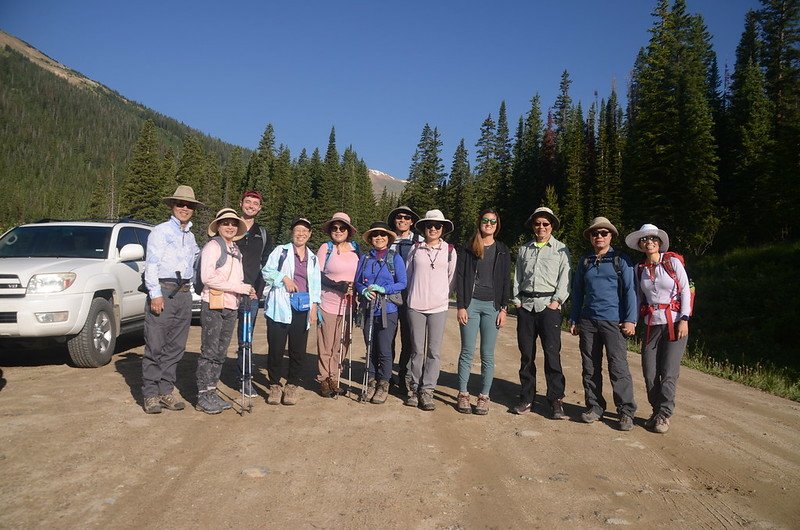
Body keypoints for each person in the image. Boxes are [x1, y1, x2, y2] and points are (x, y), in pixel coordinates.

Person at [569, 217, 637, 430]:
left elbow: (630, 291)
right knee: (590, 367)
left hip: (613, 322)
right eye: (595, 233)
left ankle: (626, 411)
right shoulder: (585, 261)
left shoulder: (621, 260)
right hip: (588, 321)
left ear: (611, 236)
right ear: (590, 237)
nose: (599, 236)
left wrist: (630, 319)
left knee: (618, 367)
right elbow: (577, 291)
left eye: (604, 233)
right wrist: (574, 317)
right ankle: (595, 406)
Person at [141, 185, 202, 414]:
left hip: (184, 294)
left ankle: (166, 390)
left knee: (176, 347)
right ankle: (150, 394)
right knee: (155, 344)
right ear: (172, 206)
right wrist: (155, 294)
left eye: (189, 205)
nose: (184, 208)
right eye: (180, 204)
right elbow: (152, 264)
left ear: (193, 209)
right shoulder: (160, 231)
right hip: (164, 291)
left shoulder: (191, 236)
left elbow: (196, 261)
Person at [625, 224, 692, 434]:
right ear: (640, 244)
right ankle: (656, 410)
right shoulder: (640, 269)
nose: (649, 242)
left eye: (653, 238)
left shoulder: (672, 262)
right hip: (651, 325)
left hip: (674, 323)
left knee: (669, 372)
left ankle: (664, 415)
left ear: (660, 242)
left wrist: (684, 319)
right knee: (649, 372)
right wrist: (633, 321)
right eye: (645, 239)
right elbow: (637, 297)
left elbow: (685, 292)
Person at [195, 208, 257, 414]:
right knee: (209, 350)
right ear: (218, 226)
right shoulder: (213, 246)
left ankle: (212, 392)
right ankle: (203, 395)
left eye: (233, 224)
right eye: (225, 223)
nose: (229, 227)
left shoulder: (235, 250)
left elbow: (237, 280)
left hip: (231, 305)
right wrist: (239, 288)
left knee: (220, 352)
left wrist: (247, 290)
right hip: (213, 303)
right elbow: (207, 277)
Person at [511, 206, 571, 419]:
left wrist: (556, 302)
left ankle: (556, 400)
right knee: (527, 355)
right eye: (537, 223)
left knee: (552, 354)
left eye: (546, 223)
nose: (541, 227)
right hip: (526, 306)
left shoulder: (561, 250)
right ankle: (527, 397)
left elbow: (565, 279)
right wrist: (517, 301)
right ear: (533, 226)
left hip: (549, 307)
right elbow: (517, 276)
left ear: (552, 226)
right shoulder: (524, 249)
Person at [454, 209, 511, 415]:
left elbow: (506, 281)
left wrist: (504, 308)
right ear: (479, 223)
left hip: (492, 307)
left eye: (492, 221)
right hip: (471, 305)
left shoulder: (503, 250)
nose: (488, 224)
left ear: (497, 225)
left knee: (487, 354)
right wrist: (461, 305)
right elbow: (460, 278)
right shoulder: (468, 248)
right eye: (485, 220)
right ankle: (463, 393)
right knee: (467, 352)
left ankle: (484, 397)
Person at [261, 217, 321, 406]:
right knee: (276, 349)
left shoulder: (312, 258)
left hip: (302, 308)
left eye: (305, 231)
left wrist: (314, 308)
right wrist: (283, 278)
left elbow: (316, 285)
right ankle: (274, 385)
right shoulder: (281, 251)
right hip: (280, 307)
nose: (301, 234)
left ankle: (292, 385)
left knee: (297, 350)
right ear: (292, 233)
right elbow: (266, 271)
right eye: (298, 230)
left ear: (310, 234)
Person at [405, 209, 457, 411]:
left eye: (437, 226)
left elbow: (451, 280)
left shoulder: (450, 251)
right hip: (415, 305)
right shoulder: (415, 249)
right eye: (429, 226)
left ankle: (427, 391)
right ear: (424, 228)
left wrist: (442, 296)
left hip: (439, 307)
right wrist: (412, 294)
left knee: (433, 351)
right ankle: (414, 388)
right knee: (417, 350)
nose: (433, 229)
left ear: (443, 228)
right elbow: (409, 276)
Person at [354, 222, 407, 404]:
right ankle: (371, 380)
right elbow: (358, 282)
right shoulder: (365, 258)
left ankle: (383, 384)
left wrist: (384, 289)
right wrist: (363, 291)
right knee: (370, 348)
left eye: (383, 235)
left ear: (388, 238)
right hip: (368, 309)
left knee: (384, 349)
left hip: (388, 310)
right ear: (370, 238)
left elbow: (402, 283)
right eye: (375, 234)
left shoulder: (395, 258)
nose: (379, 237)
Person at [315, 212, 360, 398]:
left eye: (342, 228)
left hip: (349, 304)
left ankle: (335, 376)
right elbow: (317, 275)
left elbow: (361, 273)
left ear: (348, 231)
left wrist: (356, 288)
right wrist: (338, 285)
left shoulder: (356, 249)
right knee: (327, 343)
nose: (338, 231)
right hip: (328, 303)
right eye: (334, 228)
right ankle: (324, 378)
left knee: (343, 343)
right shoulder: (325, 248)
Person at [235, 190, 274, 397]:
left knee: (246, 339)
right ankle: (210, 381)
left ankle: (245, 379)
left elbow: (266, 265)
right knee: (218, 337)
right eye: (247, 201)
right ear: (241, 203)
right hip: (227, 291)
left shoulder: (263, 233)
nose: (250, 205)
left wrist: (258, 292)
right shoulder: (230, 225)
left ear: (260, 208)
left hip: (250, 294)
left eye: (255, 203)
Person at [387, 206, 421, 392]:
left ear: (412, 221)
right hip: (389, 296)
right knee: (388, 336)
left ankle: (404, 375)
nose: (402, 220)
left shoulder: (420, 241)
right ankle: (386, 374)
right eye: (399, 217)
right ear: (394, 220)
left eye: (406, 217)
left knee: (409, 338)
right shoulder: (386, 239)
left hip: (412, 295)